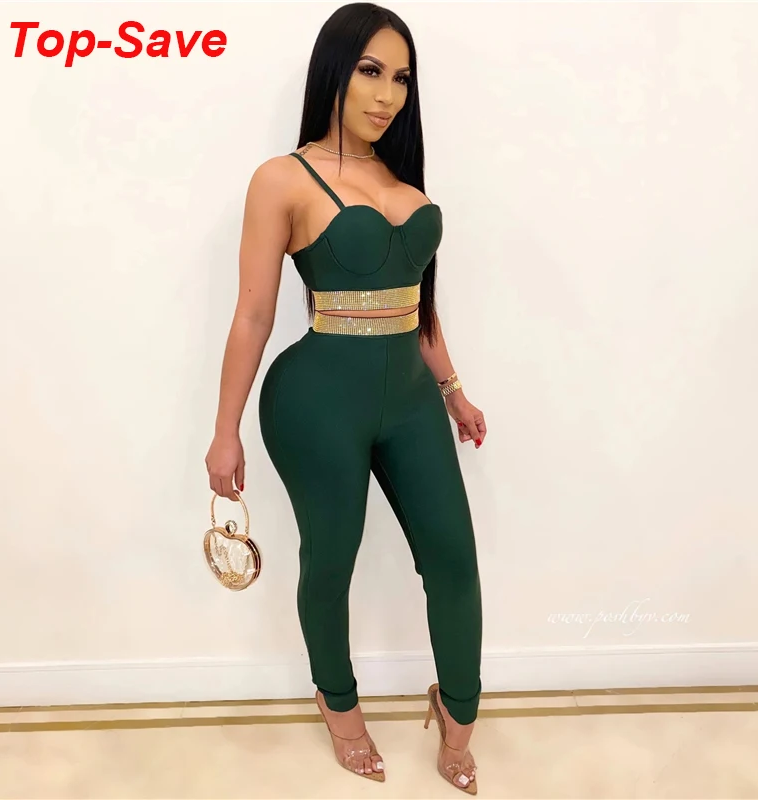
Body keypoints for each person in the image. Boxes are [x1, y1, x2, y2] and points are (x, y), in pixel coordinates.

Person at [205, 3, 486, 793]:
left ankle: (459, 717)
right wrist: (224, 431)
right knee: (331, 560)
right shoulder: (282, 179)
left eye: (401, 78)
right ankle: (341, 712)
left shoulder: (401, 181)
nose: (387, 94)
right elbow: (253, 314)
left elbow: (416, 307)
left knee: (454, 559)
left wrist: (454, 392)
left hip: (411, 401)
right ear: (334, 71)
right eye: (370, 71)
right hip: (316, 403)